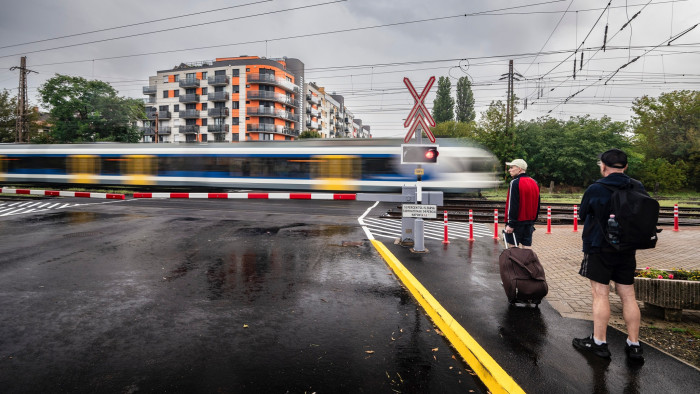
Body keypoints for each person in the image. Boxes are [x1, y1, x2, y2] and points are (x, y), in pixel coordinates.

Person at [573, 148, 644, 363]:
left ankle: (599, 343)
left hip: (599, 247)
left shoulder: (596, 188)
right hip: (627, 248)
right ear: (626, 167)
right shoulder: (637, 186)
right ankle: (634, 345)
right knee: (628, 296)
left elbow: (582, 214)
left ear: (603, 166)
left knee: (600, 294)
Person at [504, 159, 540, 248]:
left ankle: (515, 262)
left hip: (516, 223)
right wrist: (533, 221)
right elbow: (537, 204)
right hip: (529, 223)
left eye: (512, 167)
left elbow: (513, 204)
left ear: (519, 169)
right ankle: (525, 262)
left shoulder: (514, 182)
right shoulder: (534, 182)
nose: (509, 170)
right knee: (526, 249)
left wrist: (510, 224)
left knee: (513, 249)